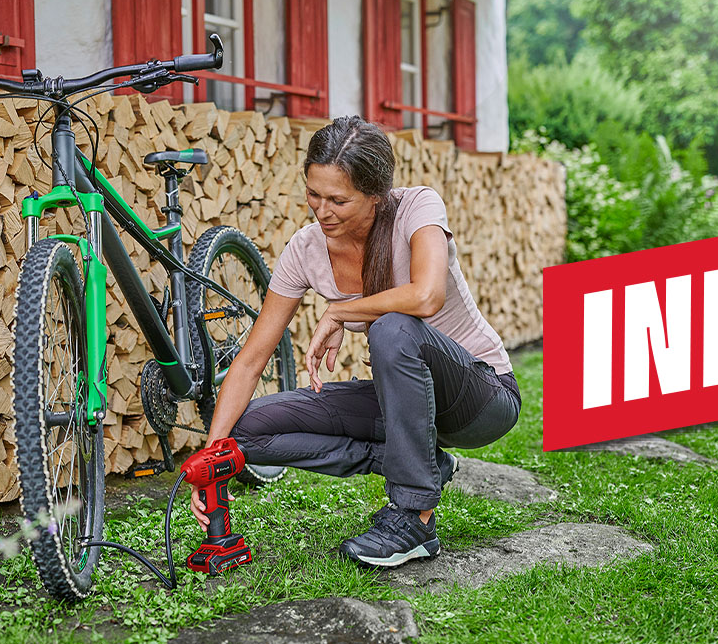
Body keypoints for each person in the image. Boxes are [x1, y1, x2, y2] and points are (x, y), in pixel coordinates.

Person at [190, 115, 521, 568]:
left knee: (392, 327)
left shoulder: (416, 208)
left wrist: (340, 310)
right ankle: (420, 464)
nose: (321, 211)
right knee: (245, 429)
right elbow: (249, 361)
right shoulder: (305, 250)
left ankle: (414, 518)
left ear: (375, 196)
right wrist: (211, 459)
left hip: (480, 399)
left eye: (338, 200)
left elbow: (426, 295)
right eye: (313, 194)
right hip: (403, 405)